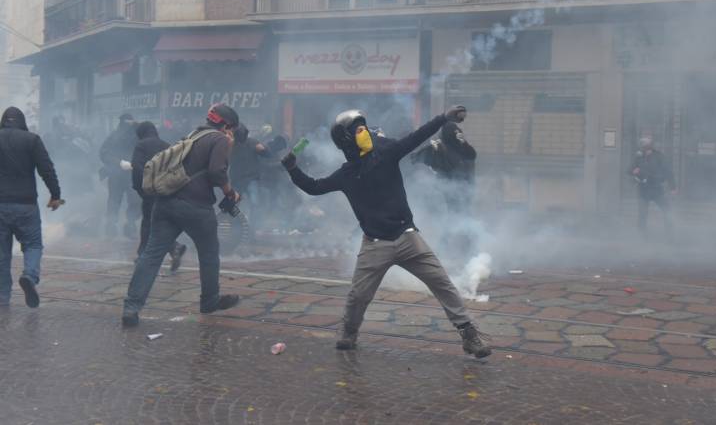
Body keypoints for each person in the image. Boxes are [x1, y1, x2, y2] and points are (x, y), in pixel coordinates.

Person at [280, 106, 491, 358]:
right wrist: (293, 169)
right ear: (345, 140)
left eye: (363, 126)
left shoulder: (387, 152)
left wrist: (443, 118)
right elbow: (315, 187)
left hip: (409, 237)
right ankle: (348, 332)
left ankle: (469, 334)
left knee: (443, 284)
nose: (365, 132)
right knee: (358, 296)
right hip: (375, 245)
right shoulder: (346, 174)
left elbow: (416, 137)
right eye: (357, 129)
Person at [121, 104, 242, 327]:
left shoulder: (192, 135)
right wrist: (230, 192)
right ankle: (209, 300)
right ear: (227, 125)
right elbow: (217, 172)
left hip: (165, 203)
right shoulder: (219, 140)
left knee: (151, 256)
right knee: (209, 254)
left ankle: (131, 307)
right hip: (196, 206)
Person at [0, 107, 64, 308]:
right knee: (33, 245)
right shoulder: (32, 139)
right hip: (26, 204)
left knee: (2, 254)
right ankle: (29, 275)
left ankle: (2, 297)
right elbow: (47, 169)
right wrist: (55, 195)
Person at [130, 121, 187, 270]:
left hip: (149, 190)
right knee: (157, 222)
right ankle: (173, 247)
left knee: (148, 222)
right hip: (165, 191)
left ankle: (147, 253)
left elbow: (137, 166)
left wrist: (139, 187)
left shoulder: (141, 145)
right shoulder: (166, 145)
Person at [411, 121, 477, 213]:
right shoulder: (438, 149)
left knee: (457, 214)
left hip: (455, 191)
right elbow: (415, 158)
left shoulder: (462, 149)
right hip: (448, 192)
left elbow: (416, 158)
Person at [99, 113, 139, 238]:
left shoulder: (137, 137)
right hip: (116, 174)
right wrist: (119, 162)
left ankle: (130, 225)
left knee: (135, 201)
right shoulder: (113, 136)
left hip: (132, 174)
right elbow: (104, 152)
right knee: (114, 200)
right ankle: (111, 226)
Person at [630, 136, 676, 240]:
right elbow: (629, 169)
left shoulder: (659, 156)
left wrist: (673, 187)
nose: (644, 145)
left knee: (667, 210)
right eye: (642, 143)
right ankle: (641, 236)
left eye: (646, 143)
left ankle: (670, 235)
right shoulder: (638, 157)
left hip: (656, 189)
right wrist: (633, 171)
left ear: (650, 145)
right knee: (642, 214)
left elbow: (668, 172)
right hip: (643, 189)